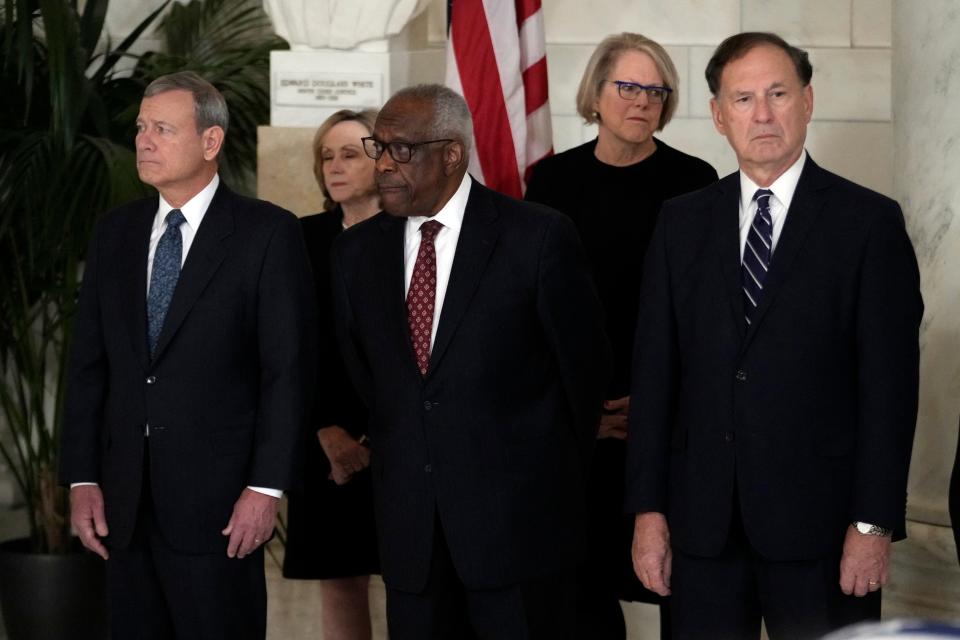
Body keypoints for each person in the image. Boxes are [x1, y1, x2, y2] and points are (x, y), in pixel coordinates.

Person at [626, 32, 923, 640]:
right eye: (743, 99)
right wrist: (648, 513)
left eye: (778, 93)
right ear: (717, 115)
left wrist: (872, 526)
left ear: (807, 102)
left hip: (822, 532)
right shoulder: (681, 223)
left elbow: (890, 391)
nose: (762, 114)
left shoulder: (868, 223)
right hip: (702, 530)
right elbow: (655, 380)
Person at [330, 84, 610, 640]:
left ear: (452, 153)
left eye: (400, 150)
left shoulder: (537, 237)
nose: (382, 164)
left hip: (519, 536)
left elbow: (583, 379)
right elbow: (371, 378)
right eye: (377, 147)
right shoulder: (355, 253)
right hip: (411, 537)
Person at [59, 71, 316, 639]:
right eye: (142, 127)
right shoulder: (115, 233)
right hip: (122, 506)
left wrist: (266, 487)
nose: (144, 140)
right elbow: (88, 366)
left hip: (220, 507)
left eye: (163, 129)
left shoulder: (266, 233)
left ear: (210, 142)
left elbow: (287, 371)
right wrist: (80, 478)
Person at [525, 32, 717, 640]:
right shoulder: (552, 182)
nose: (642, 101)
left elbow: (708, 314)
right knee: (583, 593)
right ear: (596, 95)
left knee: (678, 585)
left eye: (655, 90)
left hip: (673, 419)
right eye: (627, 87)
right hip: (580, 421)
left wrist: (655, 406)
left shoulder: (696, 180)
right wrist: (587, 413)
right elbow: (536, 311)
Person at [282, 109, 381, 640]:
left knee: (421, 582)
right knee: (340, 581)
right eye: (327, 156)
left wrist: (376, 437)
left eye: (350, 154)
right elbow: (289, 349)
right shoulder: (301, 239)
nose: (335, 166)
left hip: (404, 437)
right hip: (322, 436)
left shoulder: (413, 234)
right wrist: (326, 430)